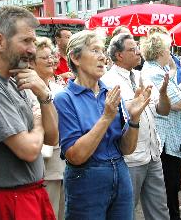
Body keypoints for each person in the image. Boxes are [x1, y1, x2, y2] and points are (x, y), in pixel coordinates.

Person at [0, 6, 59, 220]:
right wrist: (37, 121)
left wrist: (43, 95)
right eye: (26, 41)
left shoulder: (15, 77)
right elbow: (28, 150)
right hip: (7, 202)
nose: (32, 50)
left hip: (29, 195)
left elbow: (52, 138)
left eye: (33, 42)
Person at [53, 30, 152, 220]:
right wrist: (106, 117)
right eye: (94, 50)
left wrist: (134, 119)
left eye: (102, 51)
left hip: (120, 172)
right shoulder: (64, 99)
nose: (102, 57)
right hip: (86, 179)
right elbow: (75, 156)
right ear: (75, 57)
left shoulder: (111, 93)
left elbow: (126, 149)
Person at [102, 33, 171, 220]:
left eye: (137, 48)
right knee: (125, 211)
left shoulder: (143, 76)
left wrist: (164, 93)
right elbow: (115, 119)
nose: (138, 52)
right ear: (119, 55)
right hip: (129, 158)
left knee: (160, 211)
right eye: (132, 49)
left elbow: (163, 110)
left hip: (153, 154)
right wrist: (134, 104)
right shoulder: (108, 81)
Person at [140, 32, 181, 220]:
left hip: (167, 139)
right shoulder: (154, 72)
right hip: (164, 140)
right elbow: (179, 102)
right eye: (168, 48)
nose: (170, 51)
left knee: (170, 188)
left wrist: (177, 70)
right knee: (169, 187)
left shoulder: (156, 69)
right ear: (160, 51)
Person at [32, 37, 65, 220]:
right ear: (31, 62)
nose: (52, 60)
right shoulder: (27, 90)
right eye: (45, 58)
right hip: (44, 167)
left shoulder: (57, 87)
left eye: (52, 56)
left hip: (63, 164)